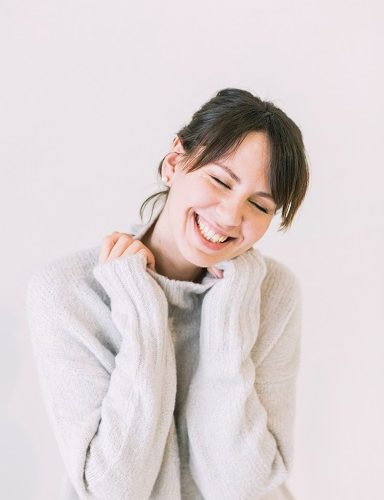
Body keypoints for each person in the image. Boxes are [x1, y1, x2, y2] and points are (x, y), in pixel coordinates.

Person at [26, 87, 309, 500]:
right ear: (175, 162)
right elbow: (114, 491)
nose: (231, 216)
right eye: (219, 180)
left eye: (260, 206)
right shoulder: (67, 292)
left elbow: (243, 488)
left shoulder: (273, 292)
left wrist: (230, 315)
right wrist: (143, 318)